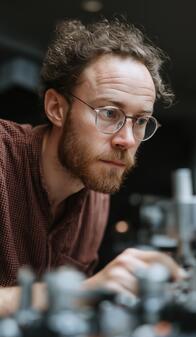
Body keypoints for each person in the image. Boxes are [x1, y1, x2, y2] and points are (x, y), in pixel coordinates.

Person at [0, 18, 184, 315]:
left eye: (139, 121)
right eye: (109, 113)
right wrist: (82, 291)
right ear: (57, 109)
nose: (126, 139)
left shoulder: (97, 195)